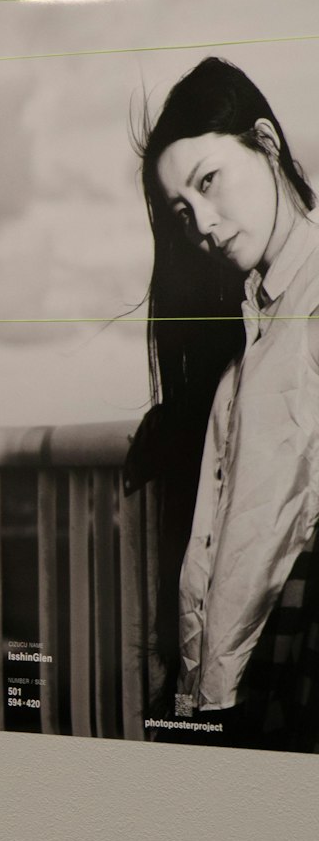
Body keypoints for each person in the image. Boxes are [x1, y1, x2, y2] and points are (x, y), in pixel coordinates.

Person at [131, 57, 319, 749]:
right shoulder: (253, 333)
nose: (203, 224)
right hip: (238, 681)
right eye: (182, 212)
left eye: (208, 181)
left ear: (266, 143)